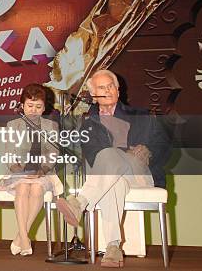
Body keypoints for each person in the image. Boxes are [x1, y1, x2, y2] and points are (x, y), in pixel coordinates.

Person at [56, 69, 164, 268]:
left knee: (110, 160)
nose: (107, 90)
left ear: (118, 89)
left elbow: (163, 144)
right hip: (113, 177)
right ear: (94, 96)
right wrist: (124, 151)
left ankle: (80, 202)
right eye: (101, 88)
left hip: (139, 175)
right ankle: (113, 246)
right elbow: (94, 155)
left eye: (110, 86)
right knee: (113, 176)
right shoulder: (88, 124)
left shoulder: (141, 114)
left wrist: (148, 150)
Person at [0, 84, 63, 256]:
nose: (33, 110)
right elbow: (10, 155)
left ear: (44, 107)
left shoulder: (51, 126)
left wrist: (42, 170)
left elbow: (53, 153)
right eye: (30, 106)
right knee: (24, 187)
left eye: (38, 106)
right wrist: (22, 172)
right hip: (19, 173)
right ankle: (25, 238)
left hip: (44, 173)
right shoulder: (13, 125)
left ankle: (20, 236)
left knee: (37, 188)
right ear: (22, 106)